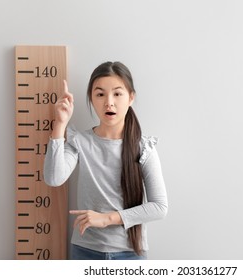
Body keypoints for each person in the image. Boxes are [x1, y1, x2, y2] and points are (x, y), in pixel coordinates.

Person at [43, 61, 168, 260]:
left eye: (117, 94)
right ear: (91, 99)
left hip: (131, 254)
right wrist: (60, 124)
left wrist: (106, 219)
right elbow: (53, 178)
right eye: (100, 94)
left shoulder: (143, 148)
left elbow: (159, 207)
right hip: (85, 251)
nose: (109, 102)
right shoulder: (80, 141)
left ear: (131, 98)